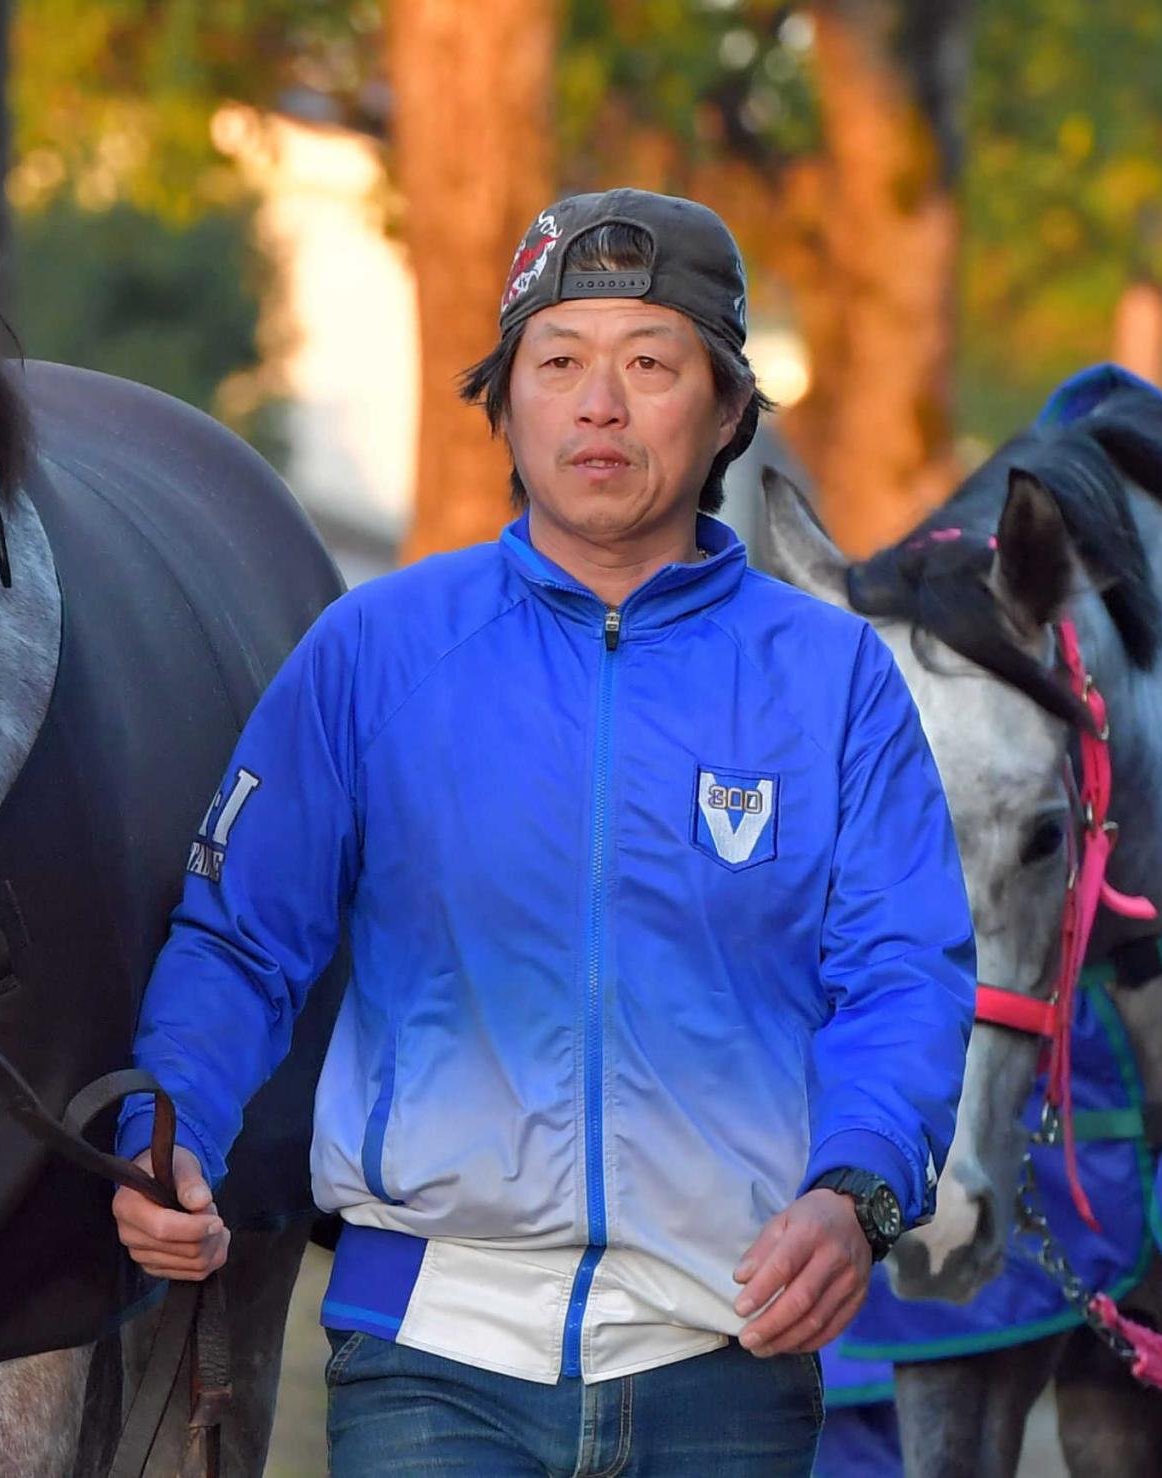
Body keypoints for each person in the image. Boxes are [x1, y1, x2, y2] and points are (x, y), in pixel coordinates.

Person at [111, 187, 976, 1475]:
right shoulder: (374, 653)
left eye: (650, 364)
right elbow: (241, 940)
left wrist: (856, 1193)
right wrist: (163, 1137)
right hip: (427, 1368)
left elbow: (904, 973)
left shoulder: (834, 680)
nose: (601, 405)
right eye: (558, 362)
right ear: (504, 403)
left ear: (729, 407)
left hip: (730, 1354)